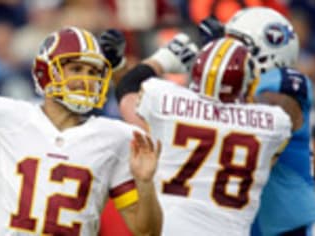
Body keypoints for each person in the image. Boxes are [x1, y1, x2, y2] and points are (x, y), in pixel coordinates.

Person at [0, 26, 163, 235]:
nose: (86, 79)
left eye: (93, 72)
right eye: (76, 69)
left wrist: (145, 183)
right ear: (45, 73)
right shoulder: (5, 116)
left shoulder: (115, 137)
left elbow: (147, 231)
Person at [115, 36, 295, 235]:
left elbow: (127, 88)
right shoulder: (275, 123)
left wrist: (163, 59)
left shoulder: (162, 97)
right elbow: (266, 160)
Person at [223, 7, 315, 235]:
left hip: (287, 224)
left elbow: (258, 115)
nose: (226, 53)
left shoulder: (287, 86)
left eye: (235, 45)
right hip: (251, 220)